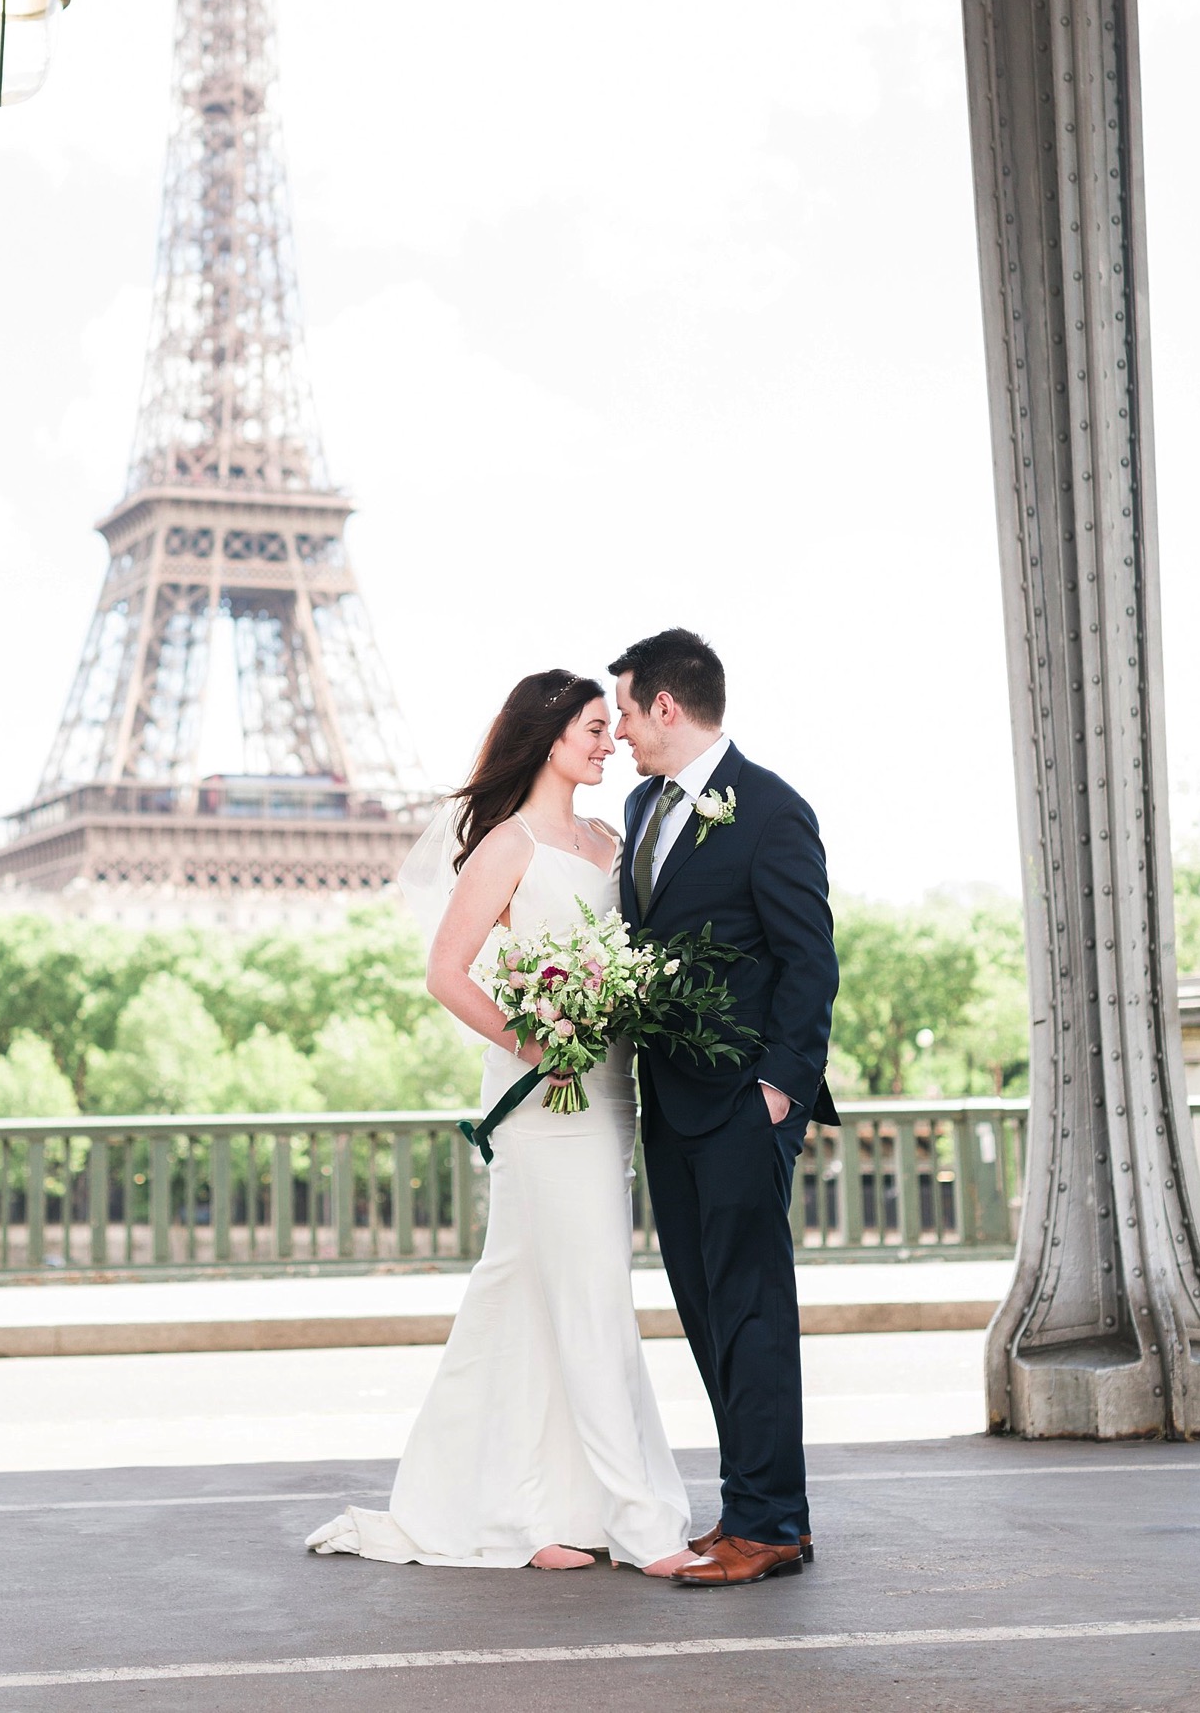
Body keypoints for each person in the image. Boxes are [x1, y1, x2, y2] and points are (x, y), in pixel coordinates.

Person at [306, 669, 695, 1574]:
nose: (609, 743)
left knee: (532, 1294)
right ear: (550, 735)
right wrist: (537, 1041)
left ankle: (528, 1514)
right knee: (592, 1294)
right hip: (543, 1103)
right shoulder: (508, 847)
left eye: (612, 728)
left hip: (610, 1090)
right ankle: (639, 1525)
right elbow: (448, 972)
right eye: (595, 728)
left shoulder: (612, 836)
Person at [611, 626, 838, 1587]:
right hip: (667, 1102)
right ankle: (754, 1502)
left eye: (623, 710)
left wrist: (778, 1091)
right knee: (706, 1312)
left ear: (667, 705)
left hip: (745, 1105)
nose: (616, 730)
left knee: (751, 1311)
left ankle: (770, 1525)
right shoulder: (639, 807)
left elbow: (808, 959)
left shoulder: (773, 810)